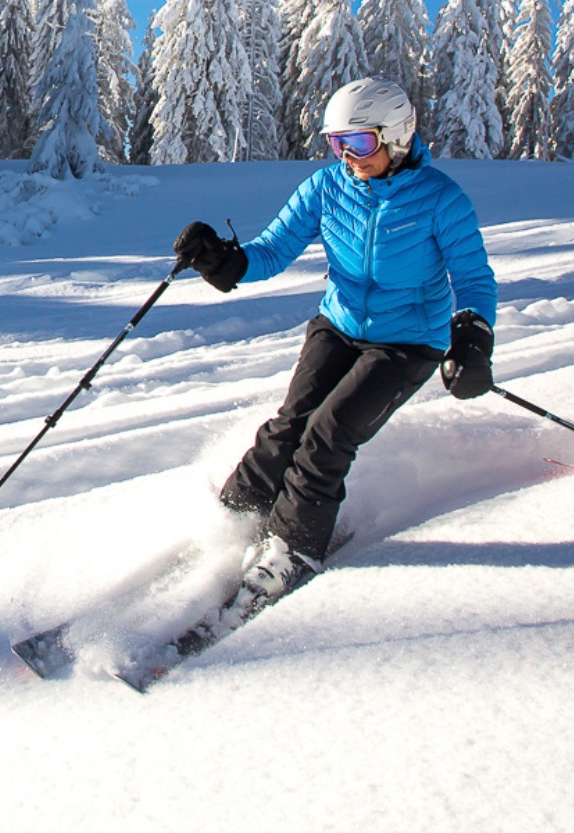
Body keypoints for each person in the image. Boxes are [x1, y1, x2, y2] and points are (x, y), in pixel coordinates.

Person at [171, 77, 497, 601]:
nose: (348, 157)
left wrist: (473, 337)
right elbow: (273, 251)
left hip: (408, 343)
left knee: (327, 436)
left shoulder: (441, 200)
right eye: (337, 143)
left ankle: (291, 549)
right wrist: (226, 262)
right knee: (287, 427)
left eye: (360, 143)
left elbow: (474, 279)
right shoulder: (327, 187)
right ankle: (233, 517)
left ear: (396, 136)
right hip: (338, 326)